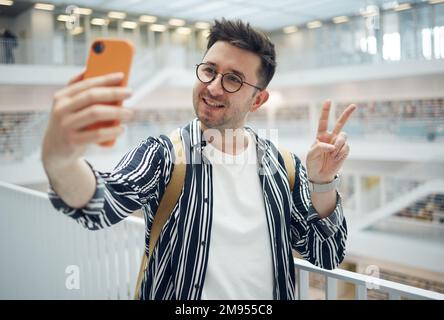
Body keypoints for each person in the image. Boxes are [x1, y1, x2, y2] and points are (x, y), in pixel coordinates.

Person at [42, 19, 356, 300]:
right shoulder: (164, 155)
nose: (213, 87)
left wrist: (323, 182)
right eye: (209, 70)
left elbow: (326, 254)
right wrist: (60, 159)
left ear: (258, 99)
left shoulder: (283, 166)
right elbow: (100, 203)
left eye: (233, 79)